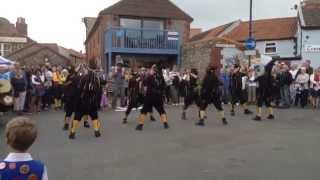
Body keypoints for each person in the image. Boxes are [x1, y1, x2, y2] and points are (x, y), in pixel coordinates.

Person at [69, 60, 104, 139]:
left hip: (82, 102)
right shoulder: (97, 78)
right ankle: (96, 130)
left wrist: (76, 71)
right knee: (94, 116)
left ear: (88, 68)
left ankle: (72, 132)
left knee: (77, 117)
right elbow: (103, 84)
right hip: (92, 102)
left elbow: (73, 81)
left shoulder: (82, 78)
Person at [135, 65, 169, 131]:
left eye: (152, 69)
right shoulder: (161, 77)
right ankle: (165, 124)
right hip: (158, 96)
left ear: (153, 70)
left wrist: (148, 75)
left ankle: (140, 125)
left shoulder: (149, 76)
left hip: (149, 96)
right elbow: (164, 86)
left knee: (144, 111)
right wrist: (161, 93)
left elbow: (144, 83)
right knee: (161, 110)